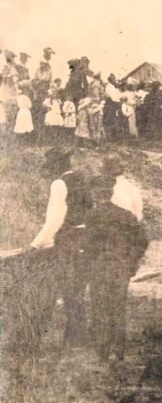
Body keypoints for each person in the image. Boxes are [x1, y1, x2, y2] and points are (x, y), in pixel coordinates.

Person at [29, 147, 94, 347]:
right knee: (76, 289)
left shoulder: (59, 183)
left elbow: (55, 219)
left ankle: (73, 338)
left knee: (66, 287)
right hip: (86, 237)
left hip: (69, 239)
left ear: (55, 168)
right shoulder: (81, 179)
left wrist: (35, 244)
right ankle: (76, 336)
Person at [82, 174, 148, 360]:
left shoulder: (92, 216)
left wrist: (87, 264)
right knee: (118, 307)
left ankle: (102, 352)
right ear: (110, 193)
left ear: (96, 194)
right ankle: (119, 351)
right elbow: (142, 240)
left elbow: (88, 246)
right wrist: (131, 262)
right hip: (121, 268)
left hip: (100, 268)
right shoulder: (126, 215)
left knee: (100, 307)